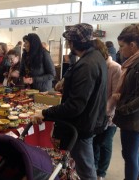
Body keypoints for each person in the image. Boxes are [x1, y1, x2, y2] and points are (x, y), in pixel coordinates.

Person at [31, 23, 107, 180]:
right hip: (89, 121)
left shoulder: (87, 65)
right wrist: (68, 80)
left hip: (81, 126)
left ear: (73, 43)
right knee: (85, 165)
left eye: (68, 41)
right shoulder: (94, 57)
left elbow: (75, 106)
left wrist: (45, 113)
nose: (67, 44)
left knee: (86, 169)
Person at [112, 24, 139, 180]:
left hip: (134, 117)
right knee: (132, 151)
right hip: (132, 116)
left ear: (133, 45)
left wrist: (123, 109)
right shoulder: (136, 61)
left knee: (129, 154)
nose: (120, 50)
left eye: (122, 46)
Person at [92, 39, 121, 180]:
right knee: (95, 142)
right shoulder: (96, 66)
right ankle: (95, 169)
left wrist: (106, 111)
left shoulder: (115, 68)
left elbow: (115, 94)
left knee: (105, 144)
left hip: (109, 115)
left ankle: (101, 172)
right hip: (96, 114)